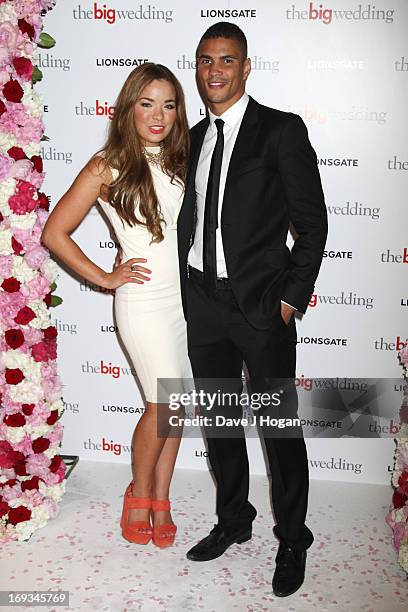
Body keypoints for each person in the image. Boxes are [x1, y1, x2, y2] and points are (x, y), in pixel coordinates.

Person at [177, 23, 328, 596]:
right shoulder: (191, 137)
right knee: (219, 424)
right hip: (203, 302)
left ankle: (293, 537)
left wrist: (291, 297)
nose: (214, 71)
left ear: (246, 67)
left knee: (280, 428)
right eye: (205, 61)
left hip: (262, 308)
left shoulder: (281, 131)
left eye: (226, 60)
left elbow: (312, 224)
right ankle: (234, 519)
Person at [41, 63, 192, 548]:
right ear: (128, 107)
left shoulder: (183, 157)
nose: (158, 115)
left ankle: (162, 498)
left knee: (179, 406)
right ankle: (139, 493)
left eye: (168, 105)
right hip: (143, 301)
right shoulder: (107, 163)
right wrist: (107, 277)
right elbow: (54, 232)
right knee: (163, 403)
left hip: (188, 300)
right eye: (147, 103)